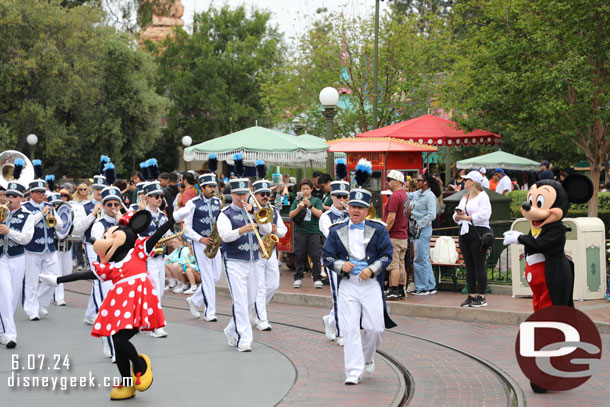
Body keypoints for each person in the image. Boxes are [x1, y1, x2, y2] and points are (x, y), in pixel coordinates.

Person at [40, 210, 178, 400]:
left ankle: (140, 365)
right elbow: (84, 274)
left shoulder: (138, 251)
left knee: (121, 341)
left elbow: (157, 234)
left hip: (138, 303)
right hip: (119, 306)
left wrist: (174, 219)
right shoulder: (110, 267)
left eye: (112, 234)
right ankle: (127, 383)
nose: (108, 239)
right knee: (116, 340)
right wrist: (57, 279)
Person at [322, 159, 395, 385]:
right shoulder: (336, 231)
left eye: (360, 208)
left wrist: (372, 270)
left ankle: (367, 357)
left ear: (367, 210)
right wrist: (339, 266)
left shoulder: (379, 230)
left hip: (371, 285)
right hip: (348, 286)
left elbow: (387, 255)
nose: (355, 210)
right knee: (350, 328)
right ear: (348, 207)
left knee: (375, 328)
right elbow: (327, 256)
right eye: (352, 206)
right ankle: (353, 371)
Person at [217, 177, 272, 352]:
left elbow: (268, 230)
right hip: (234, 261)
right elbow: (225, 236)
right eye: (238, 194)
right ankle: (245, 339)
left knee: (250, 300)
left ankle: (232, 329)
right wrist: (241, 230)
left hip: (254, 260)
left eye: (244, 194)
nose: (241, 197)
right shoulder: (225, 214)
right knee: (240, 301)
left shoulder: (254, 210)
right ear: (231, 194)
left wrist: (256, 212)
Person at [178, 172, 223, 322]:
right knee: (208, 277)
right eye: (210, 187)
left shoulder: (217, 202)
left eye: (214, 186)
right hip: (200, 244)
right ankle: (209, 312)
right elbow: (187, 228)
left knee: (216, 276)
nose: (213, 189)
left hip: (214, 244)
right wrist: (200, 238)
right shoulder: (193, 203)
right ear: (202, 188)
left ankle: (195, 300)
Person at [22, 162, 64, 321]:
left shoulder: (49, 206)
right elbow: (28, 223)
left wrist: (54, 217)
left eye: (42, 191)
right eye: (37, 192)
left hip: (50, 247)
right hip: (32, 249)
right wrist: (42, 213)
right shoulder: (25, 207)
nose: (41, 194)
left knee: (55, 278)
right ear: (31, 193)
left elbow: (59, 225)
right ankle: (31, 310)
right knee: (31, 281)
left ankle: (40, 303)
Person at [0, 178, 36, 349]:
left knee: (13, 297)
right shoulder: (1, 212)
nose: (10, 198)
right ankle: (11, 335)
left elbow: (26, 238)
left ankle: (2, 330)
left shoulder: (27, 216)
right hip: (1, 259)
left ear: (21, 198)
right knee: (6, 294)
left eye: (14, 196)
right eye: (8, 195)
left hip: (18, 258)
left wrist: (9, 232)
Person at [250, 179, 287, 331]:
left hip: (270, 251)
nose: (265, 197)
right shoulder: (248, 210)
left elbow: (283, 232)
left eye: (267, 194)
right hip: (255, 252)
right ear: (256, 195)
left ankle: (255, 309)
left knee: (273, 285)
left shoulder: (273, 210)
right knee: (260, 287)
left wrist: (275, 229)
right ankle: (261, 319)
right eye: (262, 194)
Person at [453, 171, 492, 307]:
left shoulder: (483, 196)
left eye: (467, 180)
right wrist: (458, 216)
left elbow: (485, 214)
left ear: (473, 182)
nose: (464, 182)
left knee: (478, 265)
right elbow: (457, 213)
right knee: (469, 265)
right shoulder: (465, 197)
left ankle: (481, 296)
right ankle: (471, 295)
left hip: (478, 231)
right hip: (465, 231)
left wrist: (467, 217)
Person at [319, 179, 349, 345]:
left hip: (350, 259)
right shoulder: (326, 217)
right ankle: (341, 333)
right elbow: (333, 235)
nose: (342, 200)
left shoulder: (351, 214)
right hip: (334, 260)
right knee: (338, 296)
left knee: (349, 296)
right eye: (338, 196)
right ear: (332, 196)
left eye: (345, 196)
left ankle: (330, 320)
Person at [140, 181, 170, 338]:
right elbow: (136, 237)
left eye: (161, 196)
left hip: (161, 257)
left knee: (159, 292)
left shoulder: (163, 216)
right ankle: (155, 326)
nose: (160, 199)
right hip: (148, 259)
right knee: (154, 292)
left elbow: (168, 233)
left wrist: (172, 239)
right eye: (156, 196)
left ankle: (142, 321)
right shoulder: (142, 215)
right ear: (147, 198)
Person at [407, 170, 441, 295]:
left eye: (419, 180)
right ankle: (430, 285)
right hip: (416, 227)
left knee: (419, 258)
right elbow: (407, 195)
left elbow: (431, 215)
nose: (417, 182)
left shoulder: (429, 196)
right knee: (423, 258)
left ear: (426, 182)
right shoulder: (418, 193)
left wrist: (416, 218)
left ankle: (422, 287)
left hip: (422, 228)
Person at [289, 178, 324, 288]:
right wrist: (298, 208)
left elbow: (320, 214)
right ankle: (298, 278)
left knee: (315, 255)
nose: (305, 191)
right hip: (300, 231)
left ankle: (317, 278)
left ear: (311, 189)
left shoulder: (316, 200)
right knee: (299, 255)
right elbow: (291, 215)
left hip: (314, 231)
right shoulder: (297, 200)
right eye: (303, 189)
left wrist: (310, 206)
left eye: (307, 189)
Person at [383, 170, 409, 300]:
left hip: (394, 235)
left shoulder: (394, 197)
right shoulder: (405, 195)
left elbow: (391, 217)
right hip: (403, 234)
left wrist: (384, 232)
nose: (387, 182)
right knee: (401, 264)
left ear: (396, 181)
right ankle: (401, 289)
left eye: (389, 180)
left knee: (393, 265)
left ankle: (393, 289)